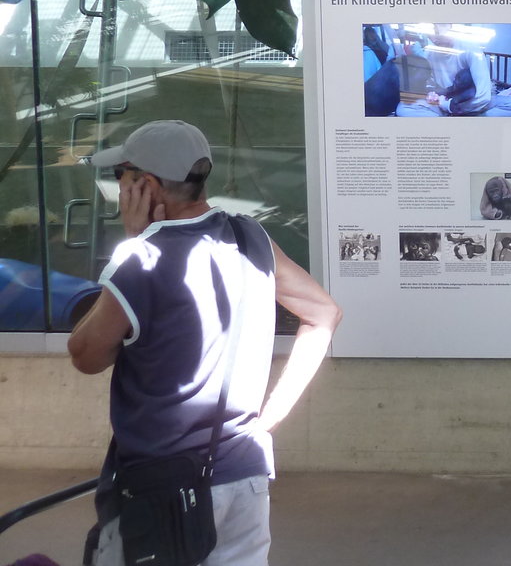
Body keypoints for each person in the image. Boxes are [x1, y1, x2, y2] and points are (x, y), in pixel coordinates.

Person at [68, 120, 342, 566]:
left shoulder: (143, 261)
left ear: (147, 185)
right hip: (244, 474)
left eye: (121, 175)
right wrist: (268, 418)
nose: (118, 187)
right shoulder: (249, 236)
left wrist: (132, 244)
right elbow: (324, 313)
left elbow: (85, 354)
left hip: (162, 489)